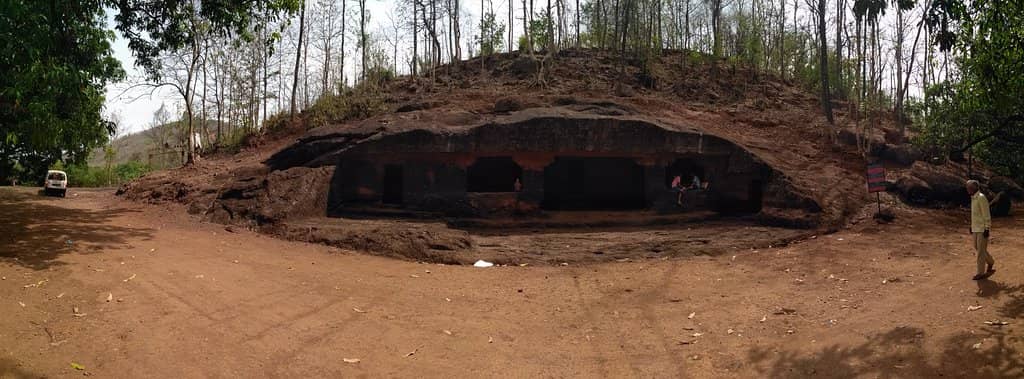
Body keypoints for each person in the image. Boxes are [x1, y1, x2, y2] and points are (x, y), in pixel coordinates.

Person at [966, 180, 995, 280]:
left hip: (982, 229)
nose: (967, 189)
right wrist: (972, 226)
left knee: (980, 252)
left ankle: (980, 272)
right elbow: (975, 215)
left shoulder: (981, 198)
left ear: (974, 188)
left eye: (969, 187)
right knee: (977, 247)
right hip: (975, 228)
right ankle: (991, 261)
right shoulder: (973, 198)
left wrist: (987, 228)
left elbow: (986, 214)